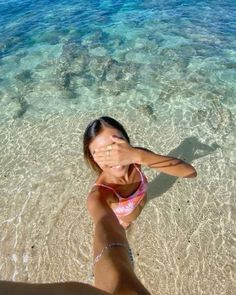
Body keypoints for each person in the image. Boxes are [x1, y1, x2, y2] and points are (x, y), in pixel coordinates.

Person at [84, 116, 197, 229]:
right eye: (101, 153)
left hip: (142, 199)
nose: (115, 157)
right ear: (92, 158)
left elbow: (190, 172)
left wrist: (139, 156)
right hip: (123, 220)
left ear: (128, 143)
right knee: (123, 227)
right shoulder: (101, 193)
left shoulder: (136, 158)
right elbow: (102, 229)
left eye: (117, 147)